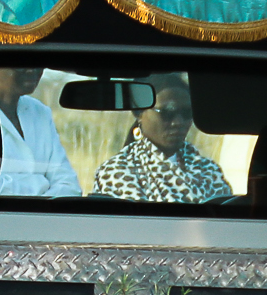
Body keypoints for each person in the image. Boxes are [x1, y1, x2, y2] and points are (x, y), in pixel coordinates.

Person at [89, 74, 231, 204]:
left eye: (187, 113)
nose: (178, 122)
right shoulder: (117, 171)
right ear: (139, 113)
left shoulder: (209, 169)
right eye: (167, 113)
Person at [0, 64, 81, 197]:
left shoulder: (40, 112)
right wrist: (42, 185)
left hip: (46, 217)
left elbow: (70, 186)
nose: (32, 69)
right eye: (20, 63)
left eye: (38, 62)